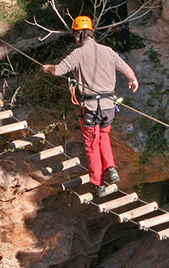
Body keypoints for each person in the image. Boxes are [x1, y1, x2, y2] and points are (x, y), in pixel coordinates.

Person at [42, 16, 139, 198]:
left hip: (92, 108)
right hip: (109, 106)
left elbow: (58, 71)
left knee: (92, 146)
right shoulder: (108, 51)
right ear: (92, 32)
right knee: (104, 136)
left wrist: (48, 68)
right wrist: (133, 80)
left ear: (77, 35)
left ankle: (98, 184)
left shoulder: (77, 54)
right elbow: (127, 71)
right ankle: (111, 168)